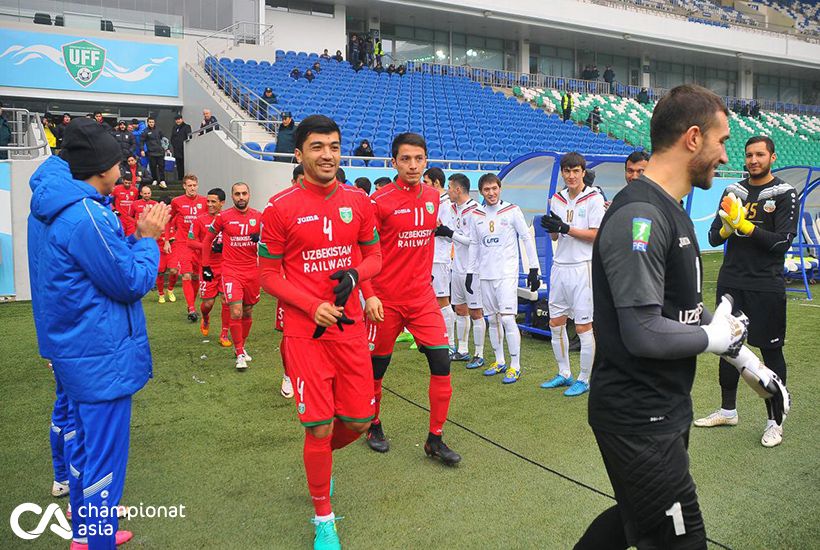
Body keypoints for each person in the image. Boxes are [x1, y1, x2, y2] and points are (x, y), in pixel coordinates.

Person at [575, 84, 790, 550]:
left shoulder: (670, 210)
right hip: (638, 417)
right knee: (681, 539)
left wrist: (748, 362)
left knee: (635, 520)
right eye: (723, 140)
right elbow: (644, 332)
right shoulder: (641, 215)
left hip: (664, 408)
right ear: (693, 138)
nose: (726, 155)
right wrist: (713, 340)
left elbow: (686, 311)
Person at [28, 118, 171, 549]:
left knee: (81, 443)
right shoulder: (86, 213)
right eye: (119, 162)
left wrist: (128, 239)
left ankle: (83, 533)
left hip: (72, 347)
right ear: (104, 166)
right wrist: (148, 238)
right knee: (104, 460)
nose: (125, 170)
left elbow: (90, 269)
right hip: (99, 354)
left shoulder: (53, 202)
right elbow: (129, 282)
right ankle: (96, 539)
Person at [258, 114, 382, 549]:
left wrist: (355, 275)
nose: (327, 154)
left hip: (349, 331)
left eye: (333, 146)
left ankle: (317, 461)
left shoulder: (359, 201)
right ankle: (323, 515)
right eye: (317, 147)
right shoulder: (279, 207)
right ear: (299, 153)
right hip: (304, 333)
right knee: (319, 427)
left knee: (361, 419)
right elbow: (268, 275)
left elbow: (374, 259)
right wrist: (312, 306)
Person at [360, 133, 461, 465]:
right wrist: (370, 295)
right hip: (384, 301)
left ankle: (435, 438)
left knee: (442, 364)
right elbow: (364, 251)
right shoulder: (379, 201)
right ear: (394, 163)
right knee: (377, 370)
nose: (413, 165)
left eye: (419, 159)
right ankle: (373, 425)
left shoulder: (434, 197)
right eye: (406, 159)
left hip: (422, 299)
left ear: (426, 161)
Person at [694, 136, 797, 447]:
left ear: (772, 157)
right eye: (749, 154)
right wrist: (727, 227)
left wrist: (747, 226)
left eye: (760, 155)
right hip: (732, 283)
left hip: (766, 285)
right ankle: (728, 410)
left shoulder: (783, 193)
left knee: (770, 351)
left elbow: (782, 241)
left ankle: (774, 422)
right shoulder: (732, 190)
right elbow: (713, 237)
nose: (753, 160)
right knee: (727, 349)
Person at [540, 152, 605, 397]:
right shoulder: (555, 199)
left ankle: (584, 379)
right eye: (566, 171)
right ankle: (564, 372)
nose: (571, 176)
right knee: (555, 323)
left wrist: (566, 228)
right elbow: (556, 236)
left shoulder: (594, 198)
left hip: (583, 267)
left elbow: (596, 234)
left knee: (583, 326)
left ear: (583, 172)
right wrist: (554, 229)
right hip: (560, 267)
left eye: (575, 171)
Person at [467, 173, 540, 383]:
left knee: (507, 318)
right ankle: (499, 361)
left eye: (494, 188)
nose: (491, 193)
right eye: (487, 190)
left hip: (506, 274)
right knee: (492, 319)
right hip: (485, 274)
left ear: (500, 189)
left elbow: (526, 237)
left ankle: (515, 365)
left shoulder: (512, 210)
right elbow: (474, 244)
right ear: (481, 192)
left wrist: (533, 267)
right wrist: (471, 272)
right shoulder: (476, 214)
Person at [201, 183, 262, 370]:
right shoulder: (223, 217)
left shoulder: (259, 217)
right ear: (232, 197)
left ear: (249, 195)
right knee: (235, 311)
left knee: (248, 311)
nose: (241, 197)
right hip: (231, 271)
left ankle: (241, 346)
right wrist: (205, 266)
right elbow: (207, 241)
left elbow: (272, 239)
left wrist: (261, 236)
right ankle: (240, 352)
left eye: (244, 193)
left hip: (252, 270)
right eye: (237, 194)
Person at [443, 173, 485, 367]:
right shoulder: (453, 208)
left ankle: (479, 353)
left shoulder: (476, 210)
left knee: (476, 311)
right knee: (460, 309)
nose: (447, 191)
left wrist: (450, 233)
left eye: (449, 187)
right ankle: (462, 350)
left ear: (458, 189)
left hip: (472, 269)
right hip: (456, 267)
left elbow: (473, 242)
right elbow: (454, 237)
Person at [188, 188, 231, 346]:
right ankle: (205, 319)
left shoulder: (228, 218)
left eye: (213, 202)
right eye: (208, 201)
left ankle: (224, 333)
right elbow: (190, 242)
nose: (210, 204)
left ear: (222, 203)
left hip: (226, 266)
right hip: (207, 266)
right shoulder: (199, 220)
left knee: (226, 300)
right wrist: (209, 247)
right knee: (208, 304)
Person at [424, 167, 456, 354]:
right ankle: (437, 339)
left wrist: (435, 228)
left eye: (426, 182)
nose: (423, 185)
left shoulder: (446, 205)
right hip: (430, 257)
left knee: (443, 300)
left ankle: (450, 343)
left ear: (436, 183)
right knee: (432, 300)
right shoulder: (435, 202)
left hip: (440, 258)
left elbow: (449, 233)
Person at [166, 174, 208, 321]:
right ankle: (191, 308)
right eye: (189, 185)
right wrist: (166, 239)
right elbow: (168, 220)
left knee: (196, 276)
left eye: (194, 185)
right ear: (184, 186)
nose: (192, 188)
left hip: (198, 244)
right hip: (183, 243)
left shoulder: (204, 201)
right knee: (186, 275)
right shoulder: (177, 202)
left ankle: (192, 303)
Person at [140, 117, 166, 188]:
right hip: (151, 152)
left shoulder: (159, 130)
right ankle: (155, 179)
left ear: (154, 123)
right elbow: (142, 141)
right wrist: (142, 150)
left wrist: (167, 148)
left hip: (160, 152)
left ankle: (162, 180)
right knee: (153, 167)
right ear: (148, 123)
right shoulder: (145, 131)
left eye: (152, 122)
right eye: (150, 122)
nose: (151, 123)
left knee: (161, 166)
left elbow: (164, 139)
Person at [111, 172, 140, 236]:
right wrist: (114, 210)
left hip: (130, 218)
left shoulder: (135, 190)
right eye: (126, 182)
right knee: (120, 236)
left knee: (131, 237)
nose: (127, 184)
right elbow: (109, 201)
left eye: (129, 183)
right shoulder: (116, 189)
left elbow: (135, 203)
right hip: (120, 217)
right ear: (122, 180)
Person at [170, 114, 192, 181]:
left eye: (179, 119)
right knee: (179, 166)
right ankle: (180, 179)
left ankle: (185, 179)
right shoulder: (175, 128)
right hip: (177, 150)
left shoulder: (187, 126)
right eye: (176, 120)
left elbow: (189, 137)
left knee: (184, 165)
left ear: (182, 119)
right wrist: (174, 144)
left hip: (184, 150)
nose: (178, 121)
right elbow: (172, 138)